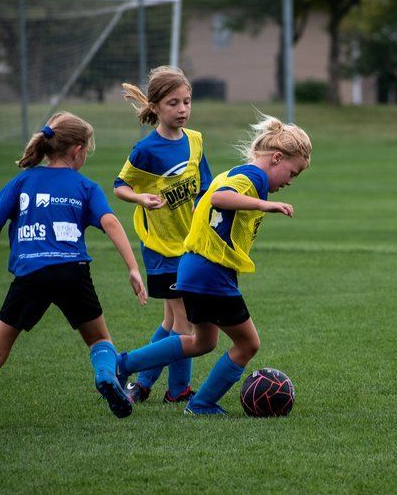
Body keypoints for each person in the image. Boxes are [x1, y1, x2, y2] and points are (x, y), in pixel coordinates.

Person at [0, 112, 147, 435]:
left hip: (31, 274)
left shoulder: (24, 181)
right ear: (77, 150)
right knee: (99, 340)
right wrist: (133, 268)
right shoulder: (85, 186)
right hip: (72, 272)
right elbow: (111, 223)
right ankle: (106, 376)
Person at [114, 113, 311, 415]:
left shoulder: (241, 172)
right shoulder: (254, 177)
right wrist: (264, 204)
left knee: (201, 341)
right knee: (248, 344)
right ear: (276, 157)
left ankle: (124, 363)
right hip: (209, 271)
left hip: (197, 267)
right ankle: (201, 404)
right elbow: (219, 198)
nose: (289, 182)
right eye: (292, 173)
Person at [115, 66, 213, 404]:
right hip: (161, 247)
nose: (183, 109)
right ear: (156, 106)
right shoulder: (147, 150)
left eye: (187, 101)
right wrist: (140, 197)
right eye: (174, 103)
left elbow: (205, 189)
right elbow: (120, 187)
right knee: (186, 325)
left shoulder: (196, 140)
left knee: (172, 320)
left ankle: (141, 384)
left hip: (189, 244)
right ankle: (177, 390)